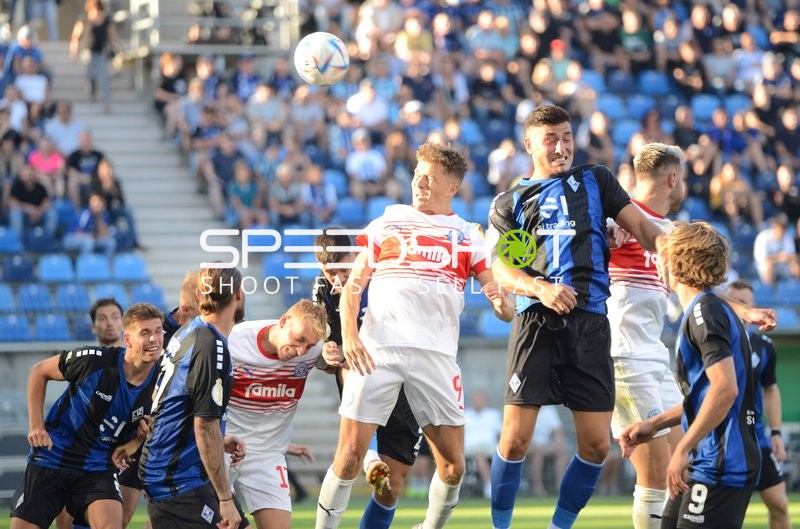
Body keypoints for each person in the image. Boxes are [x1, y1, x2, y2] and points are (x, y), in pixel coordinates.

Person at [315, 142, 515, 529]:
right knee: (350, 455)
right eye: (417, 174)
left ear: (451, 188)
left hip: (436, 358)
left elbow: (503, 308)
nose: (420, 182)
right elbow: (354, 286)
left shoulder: (466, 236)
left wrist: (501, 304)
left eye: (431, 178)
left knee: (453, 467)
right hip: (378, 352)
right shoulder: (386, 221)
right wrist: (352, 335)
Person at [486, 104, 667, 529]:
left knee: (596, 445)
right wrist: (540, 288)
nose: (561, 147)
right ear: (529, 144)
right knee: (514, 441)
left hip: (590, 323)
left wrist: (675, 251)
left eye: (567, 137)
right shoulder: (510, 200)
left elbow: (643, 230)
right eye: (550, 139)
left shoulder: (596, 179)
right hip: (535, 323)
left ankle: (558, 527)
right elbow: (500, 268)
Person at [620, 222, 760, 529]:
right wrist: (652, 425)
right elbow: (705, 396)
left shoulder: (705, 314)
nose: (656, 259)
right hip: (707, 460)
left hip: (722, 464)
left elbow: (725, 390)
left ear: (675, 261)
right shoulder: (707, 310)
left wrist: (681, 449)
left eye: (661, 253)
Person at [10, 302, 164, 529]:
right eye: (145, 332)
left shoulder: (164, 379)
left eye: (158, 331)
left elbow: (148, 428)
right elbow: (38, 371)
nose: (154, 339)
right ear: (128, 340)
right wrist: (36, 426)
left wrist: (137, 440)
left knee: (113, 525)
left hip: (97, 466)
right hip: (54, 456)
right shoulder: (94, 360)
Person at [312, 228, 424, 529]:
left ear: (356, 255)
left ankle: (373, 459)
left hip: (404, 381)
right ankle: (370, 456)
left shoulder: (386, 276)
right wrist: (327, 352)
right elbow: (327, 351)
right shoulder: (323, 289)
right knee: (348, 455)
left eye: (342, 269)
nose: (337, 280)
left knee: (392, 487)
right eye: (328, 272)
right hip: (360, 375)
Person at [607, 143, 687, 528]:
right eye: (682, 179)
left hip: (655, 356)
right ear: (673, 179)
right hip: (623, 355)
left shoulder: (668, 235)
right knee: (654, 474)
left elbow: (697, 291)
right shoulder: (614, 221)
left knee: (680, 466)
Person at [139, 266, 247, 529]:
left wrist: (218, 441)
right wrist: (224, 498)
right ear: (239, 294)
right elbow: (204, 425)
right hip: (179, 478)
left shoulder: (188, 331)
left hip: (173, 468)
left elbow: (171, 401)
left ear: (200, 295)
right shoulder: (211, 345)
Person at [225, 300, 334, 529]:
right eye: (300, 339)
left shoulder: (314, 349)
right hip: (224, 449)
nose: (301, 351)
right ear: (283, 321)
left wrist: (336, 354)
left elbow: (334, 361)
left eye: (310, 345)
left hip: (267, 455)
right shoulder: (233, 339)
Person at [116, 270, 200, 529]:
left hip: (168, 444)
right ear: (187, 309)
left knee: (163, 518)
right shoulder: (156, 334)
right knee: (116, 518)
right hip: (131, 439)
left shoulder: (200, 340)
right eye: (204, 310)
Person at [725, 280, 792, 529]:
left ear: (753, 307)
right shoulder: (713, 337)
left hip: (756, 437)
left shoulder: (764, 347)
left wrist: (775, 432)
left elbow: (771, 390)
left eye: (744, 302)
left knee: (780, 505)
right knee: (727, 513)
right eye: (734, 301)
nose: (739, 307)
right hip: (722, 438)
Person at [69, 0, 122, 114]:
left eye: (99, 9)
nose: (97, 12)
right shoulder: (85, 19)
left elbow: (113, 35)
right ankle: (92, 92)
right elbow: (76, 36)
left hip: (101, 52)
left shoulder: (105, 19)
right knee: (90, 75)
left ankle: (106, 102)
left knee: (104, 77)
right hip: (88, 52)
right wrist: (74, 52)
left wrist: (120, 49)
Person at [464, 389, 502, 499]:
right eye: (475, 399)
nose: (478, 402)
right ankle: (489, 486)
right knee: (480, 455)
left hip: (490, 446)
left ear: (485, 400)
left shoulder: (493, 414)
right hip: (470, 447)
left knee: (504, 456)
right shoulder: (465, 414)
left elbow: (500, 434)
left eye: (480, 399)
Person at [528, 405, 568, 497]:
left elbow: (558, 429)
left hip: (545, 445)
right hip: (530, 445)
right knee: (538, 453)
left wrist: (559, 442)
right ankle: (537, 487)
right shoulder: (527, 409)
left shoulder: (550, 410)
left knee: (560, 451)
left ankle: (560, 487)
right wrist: (534, 444)